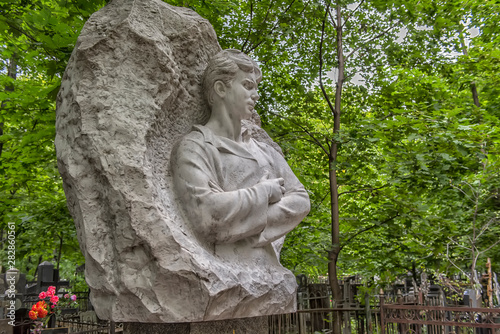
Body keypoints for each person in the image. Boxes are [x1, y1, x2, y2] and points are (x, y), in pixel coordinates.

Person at [171, 50, 309, 254]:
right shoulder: (195, 147)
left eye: (256, 87)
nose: (256, 95)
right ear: (220, 88)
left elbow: (300, 200)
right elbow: (207, 215)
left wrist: (240, 221)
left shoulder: (265, 151)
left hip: (265, 271)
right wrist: (264, 192)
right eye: (247, 86)